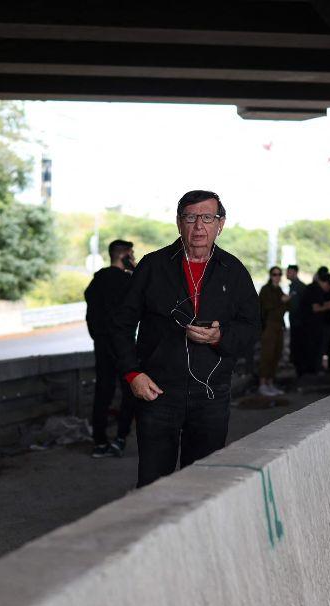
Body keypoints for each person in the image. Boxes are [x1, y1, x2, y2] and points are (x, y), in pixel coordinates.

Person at [110, 190, 260, 488]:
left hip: (211, 395)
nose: (199, 226)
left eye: (207, 217)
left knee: (204, 485)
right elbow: (120, 325)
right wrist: (132, 374)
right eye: (191, 218)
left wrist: (219, 337)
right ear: (179, 223)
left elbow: (252, 327)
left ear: (221, 224)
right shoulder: (153, 266)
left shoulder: (233, 271)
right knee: (154, 485)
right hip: (157, 392)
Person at [84, 239, 138, 457]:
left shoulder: (97, 281)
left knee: (103, 392)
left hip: (102, 344)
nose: (133, 258)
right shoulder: (129, 281)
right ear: (125, 256)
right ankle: (120, 438)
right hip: (124, 345)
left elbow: (91, 311)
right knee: (130, 390)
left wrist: (98, 335)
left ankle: (99, 442)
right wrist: (135, 270)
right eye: (131, 254)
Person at [296, 272, 330, 376]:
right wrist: (329, 306)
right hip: (309, 326)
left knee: (310, 349)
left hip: (308, 325)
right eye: (329, 287)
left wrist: (326, 304)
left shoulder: (312, 287)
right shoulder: (315, 290)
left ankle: (309, 371)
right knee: (311, 349)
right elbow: (315, 308)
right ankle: (310, 372)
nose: (328, 289)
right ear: (326, 283)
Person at [257, 266, 287, 396]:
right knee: (267, 355)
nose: (277, 277)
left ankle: (270, 382)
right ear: (270, 276)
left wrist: (284, 301)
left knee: (276, 354)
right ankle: (263, 384)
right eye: (275, 274)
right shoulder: (266, 289)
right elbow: (266, 306)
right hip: (269, 325)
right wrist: (281, 301)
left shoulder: (279, 289)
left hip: (279, 325)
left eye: (279, 274)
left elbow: (285, 308)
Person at [285, 264, 304, 370]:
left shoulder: (299, 286)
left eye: (289, 272)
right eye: (287, 272)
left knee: (297, 341)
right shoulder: (294, 286)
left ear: (295, 273)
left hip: (298, 320)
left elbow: (296, 305)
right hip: (295, 319)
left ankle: (296, 363)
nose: (287, 274)